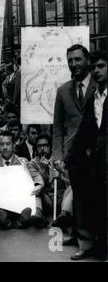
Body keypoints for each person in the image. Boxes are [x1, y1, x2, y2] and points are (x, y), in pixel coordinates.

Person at [52, 44, 96, 247]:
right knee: (78, 194)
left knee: (96, 194)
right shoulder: (63, 91)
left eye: (78, 59)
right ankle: (79, 237)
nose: (74, 64)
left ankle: (97, 238)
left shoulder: (100, 85)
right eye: (70, 60)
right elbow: (58, 127)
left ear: (87, 60)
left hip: (96, 151)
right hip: (72, 154)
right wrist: (58, 156)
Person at [65, 50, 107, 260]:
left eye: (101, 66)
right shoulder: (94, 98)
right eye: (93, 68)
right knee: (93, 201)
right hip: (95, 162)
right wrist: (70, 158)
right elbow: (84, 131)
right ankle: (90, 244)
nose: (96, 71)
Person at [0, 131, 45, 230]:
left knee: (35, 193)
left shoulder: (23, 161)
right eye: (2, 144)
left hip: (19, 196)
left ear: (13, 145)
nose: (5, 147)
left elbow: (35, 175)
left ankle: (36, 215)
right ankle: (10, 220)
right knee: (0, 207)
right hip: (2, 196)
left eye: (8, 144)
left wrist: (39, 185)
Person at [28, 134, 72, 228]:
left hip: (61, 197)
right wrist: (43, 169)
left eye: (45, 145)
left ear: (50, 147)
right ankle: (38, 214)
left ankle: (64, 215)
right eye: (39, 146)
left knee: (72, 188)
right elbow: (38, 182)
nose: (42, 148)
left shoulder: (61, 160)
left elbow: (71, 181)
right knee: (35, 189)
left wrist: (61, 175)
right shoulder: (33, 163)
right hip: (47, 198)